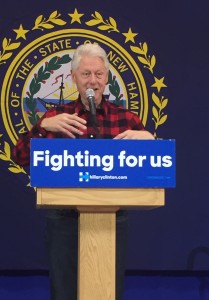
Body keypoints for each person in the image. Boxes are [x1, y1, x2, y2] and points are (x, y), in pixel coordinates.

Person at [13, 43, 154, 300]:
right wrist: (43, 126)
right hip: (63, 219)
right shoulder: (56, 116)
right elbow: (20, 156)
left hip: (112, 219)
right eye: (86, 74)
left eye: (99, 74)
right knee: (64, 293)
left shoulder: (127, 119)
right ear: (73, 78)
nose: (93, 81)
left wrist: (150, 143)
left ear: (107, 77)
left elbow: (150, 169)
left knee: (107, 291)